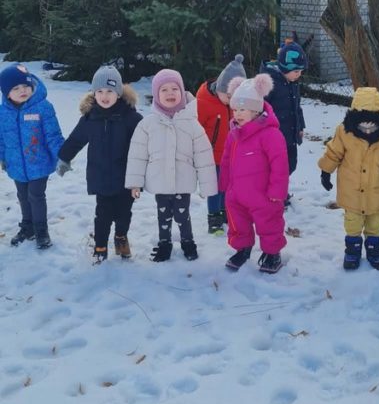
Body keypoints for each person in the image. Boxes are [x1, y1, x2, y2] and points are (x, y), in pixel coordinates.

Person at [125, 69, 217, 262]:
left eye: (175, 89)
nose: (170, 93)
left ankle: (188, 242)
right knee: (163, 215)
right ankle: (164, 243)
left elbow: (203, 156)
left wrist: (207, 186)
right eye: (164, 90)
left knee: (183, 215)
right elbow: (137, 156)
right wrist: (135, 183)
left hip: (183, 181)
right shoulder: (147, 125)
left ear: (182, 92)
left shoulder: (192, 124)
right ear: (156, 94)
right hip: (160, 182)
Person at [57, 65, 142, 263]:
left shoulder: (131, 117)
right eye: (100, 91)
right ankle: (100, 245)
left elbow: (145, 143)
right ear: (94, 93)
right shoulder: (90, 118)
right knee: (102, 215)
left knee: (123, 214)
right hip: (101, 176)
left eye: (110, 91)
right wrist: (64, 157)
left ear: (118, 93)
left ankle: (121, 237)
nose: (104, 96)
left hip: (126, 178)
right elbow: (76, 139)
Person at [219, 72, 289, 274]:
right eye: (235, 109)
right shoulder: (234, 134)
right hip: (237, 193)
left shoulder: (270, 134)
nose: (237, 114)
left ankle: (272, 253)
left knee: (269, 223)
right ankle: (242, 249)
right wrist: (225, 184)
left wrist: (277, 192)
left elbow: (280, 165)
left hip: (263, 194)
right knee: (238, 223)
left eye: (243, 109)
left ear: (256, 110)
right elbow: (226, 159)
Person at [318, 87, 379, 271]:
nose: (367, 128)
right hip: (351, 189)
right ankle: (352, 250)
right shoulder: (344, 132)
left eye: (372, 123)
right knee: (352, 222)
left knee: (376, 222)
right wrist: (326, 171)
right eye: (362, 122)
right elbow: (334, 152)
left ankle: (374, 251)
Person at [0, 63, 64, 249]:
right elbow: (1, 138)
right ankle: (27, 227)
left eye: (25, 86)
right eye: (16, 88)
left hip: (38, 163)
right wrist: (2, 157)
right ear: (7, 93)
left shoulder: (43, 107)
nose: (22, 91)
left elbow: (53, 135)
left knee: (36, 195)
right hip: (16, 164)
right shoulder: (3, 113)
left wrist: (62, 156)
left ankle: (41, 230)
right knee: (23, 195)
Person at [196, 53, 246, 234]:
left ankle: (224, 211)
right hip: (212, 155)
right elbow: (196, 128)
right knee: (214, 187)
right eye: (229, 96)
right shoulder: (204, 102)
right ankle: (213, 218)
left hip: (231, 154)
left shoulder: (235, 104)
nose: (232, 101)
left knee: (227, 185)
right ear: (220, 88)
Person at [260, 41, 307, 203]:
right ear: (285, 68)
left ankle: (279, 189)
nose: (299, 74)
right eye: (296, 71)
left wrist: (300, 126)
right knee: (276, 166)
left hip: (290, 133)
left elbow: (297, 107)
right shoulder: (270, 84)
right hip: (276, 135)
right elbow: (261, 108)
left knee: (290, 164)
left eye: (300, 71)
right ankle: (275, 194)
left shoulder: (293, 83)